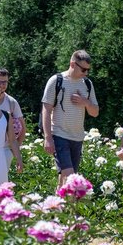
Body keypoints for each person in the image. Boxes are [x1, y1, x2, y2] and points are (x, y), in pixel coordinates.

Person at [41, 50, 99, 186]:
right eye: (83, 69)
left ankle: (58, 205)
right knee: (71, 178)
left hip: (77, 137)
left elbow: (95, 112)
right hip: (60, 135)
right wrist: (48, 138)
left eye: (88, 70)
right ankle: (71, 206)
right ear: (73, 64)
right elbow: (46, 110)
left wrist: (85, 102)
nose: (86, 73)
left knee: (64, 179)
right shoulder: (56, 80)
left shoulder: (87, 84)